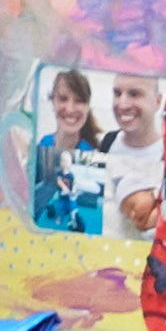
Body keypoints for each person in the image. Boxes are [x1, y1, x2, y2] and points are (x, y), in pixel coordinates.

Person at [27, 68, 105, 233]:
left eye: (79, 101)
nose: (70, 108)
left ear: (88, 106)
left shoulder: (93, 153)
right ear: (52, 101)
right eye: (63, 99)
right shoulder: (42, 144)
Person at [100, 74, 166, 239]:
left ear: (157, 101)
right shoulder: (107, 143)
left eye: (134, 94)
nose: (122, 104)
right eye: (117, 93)